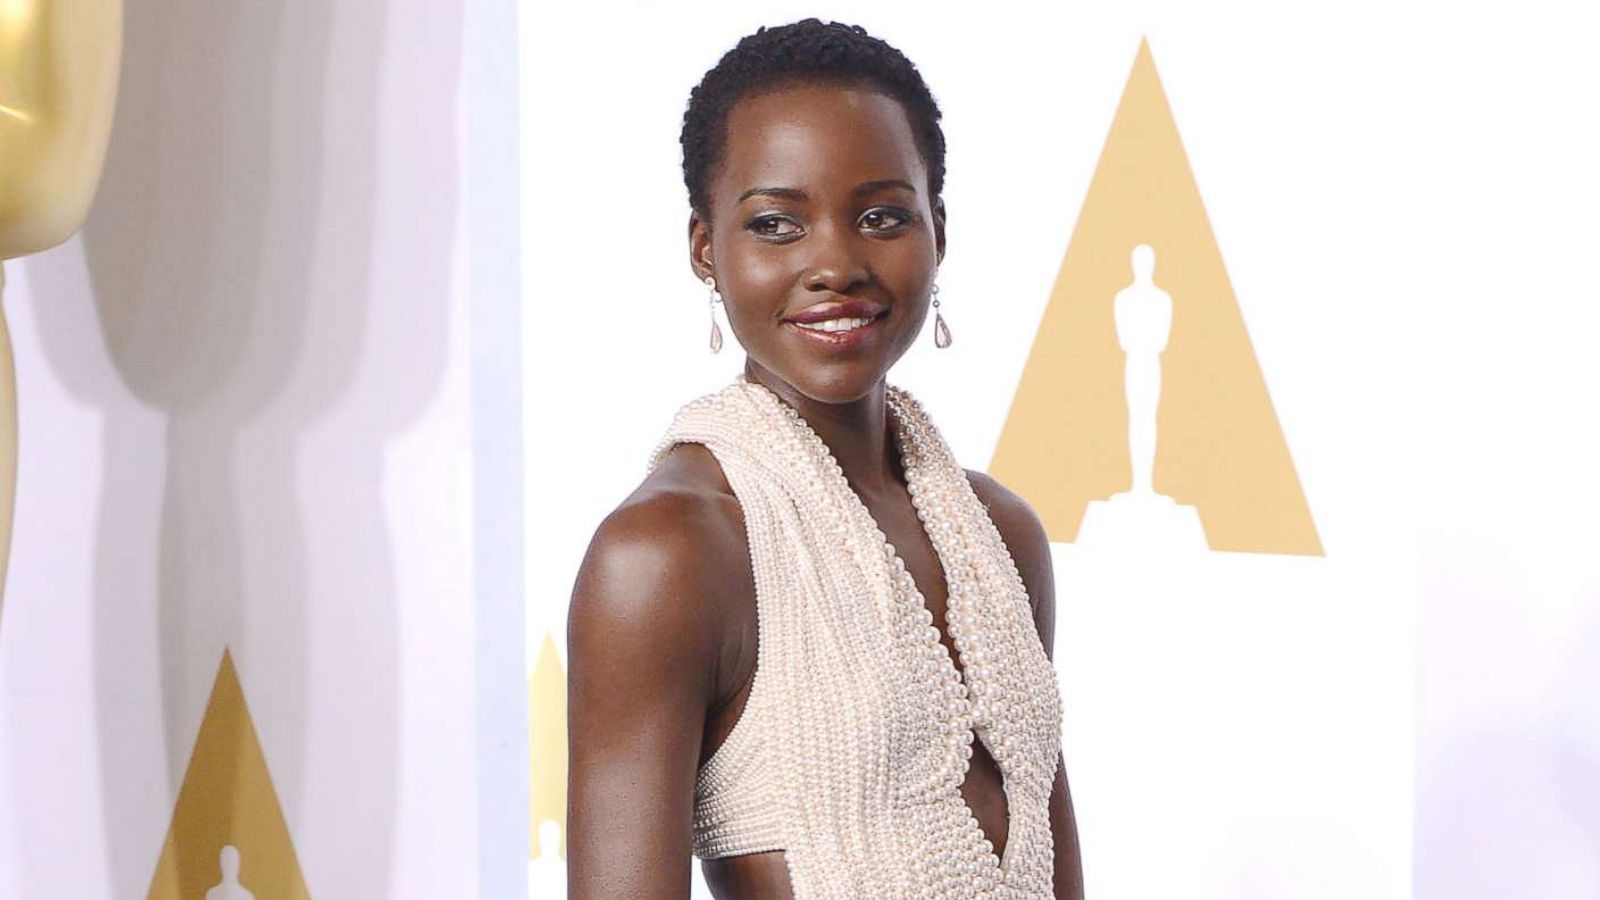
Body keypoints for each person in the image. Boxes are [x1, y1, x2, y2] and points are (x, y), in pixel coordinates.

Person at [567, 19, 1084, 899]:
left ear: (938, 230)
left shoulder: (1001, 537)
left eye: (882, 216)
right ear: (705, 248)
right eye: (777, 225)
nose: (836, 264)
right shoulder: (670, 554)